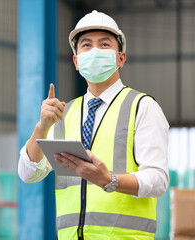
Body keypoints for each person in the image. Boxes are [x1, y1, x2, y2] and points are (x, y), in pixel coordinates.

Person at [18, 10, 169, 240]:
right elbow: (28, 173)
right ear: (76, 62)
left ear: (121, 58)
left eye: (104, 44)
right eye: (86, 45)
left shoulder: (142, 107)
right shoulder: (64, 114)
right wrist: (41, 127)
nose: (95, 51)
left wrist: (109, 180)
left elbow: (158, 180)